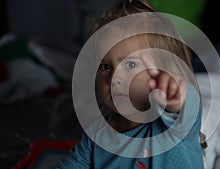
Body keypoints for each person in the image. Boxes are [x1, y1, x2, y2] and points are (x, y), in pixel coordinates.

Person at [53, 0, 206, 168]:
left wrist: (178, 94)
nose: (114, 78)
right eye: (105, 66)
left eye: (131, 64)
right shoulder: (97, 136)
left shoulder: (174, 128)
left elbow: (188, 107)